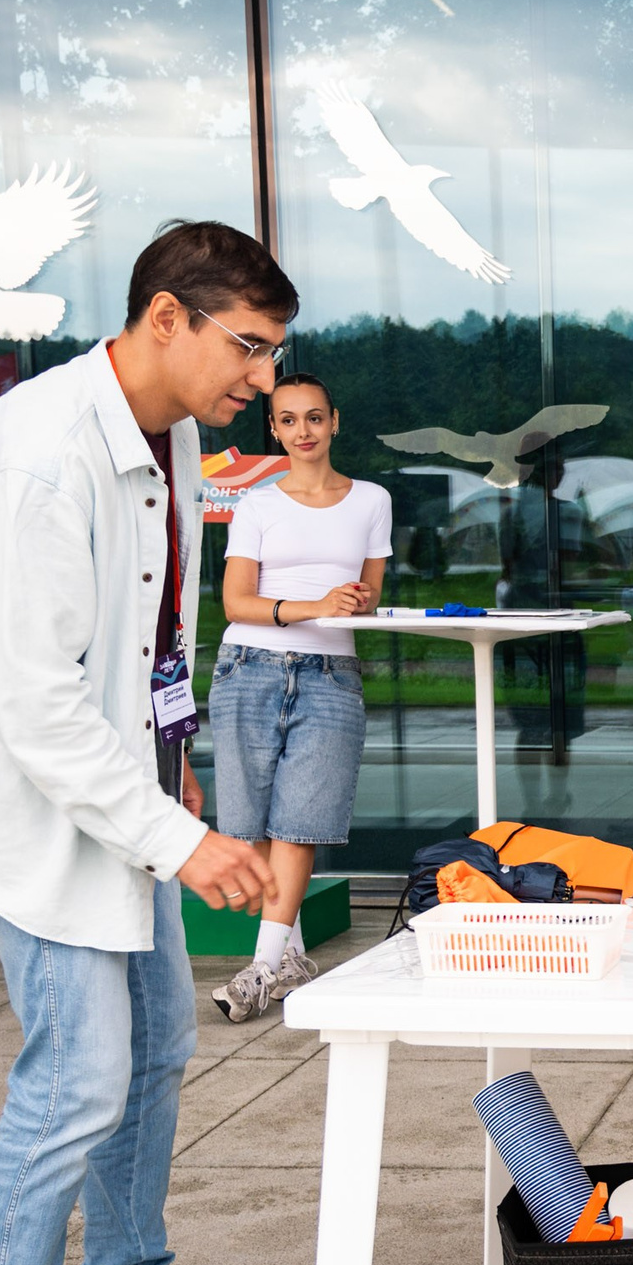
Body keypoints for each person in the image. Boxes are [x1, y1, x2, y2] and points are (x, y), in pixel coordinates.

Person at [0, 220, 294, 1265]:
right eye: (249, 347)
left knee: (158, 1042)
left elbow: (142, 635)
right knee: (76, 1074)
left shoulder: (168, 433)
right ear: (166, 316)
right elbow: (34, 704)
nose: (264, 380)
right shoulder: (39, 459)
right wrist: (179, 837)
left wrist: (170, 776)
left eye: (275, 354)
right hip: (30, 804)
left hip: (118, 792)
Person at [206, 372, 390, 1021]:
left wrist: (356, 602)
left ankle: (260, 970)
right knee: (253, 823)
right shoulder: (257, 506)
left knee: (299, 822)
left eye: (314, 417)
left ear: (335, 421)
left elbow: (369, 593)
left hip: (331, 674)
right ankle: (290, 956)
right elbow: (236, 602)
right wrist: (314, 604)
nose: (302, 431)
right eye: (288, 420)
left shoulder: (371, 500)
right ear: (274, 429)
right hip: (248, 667)